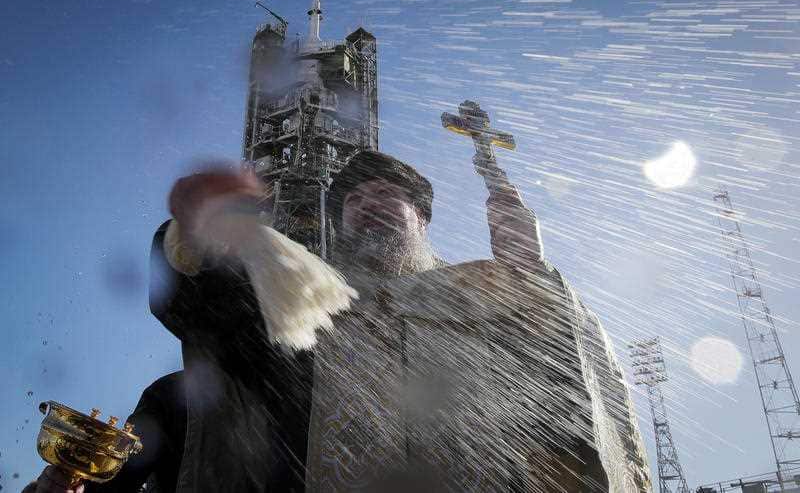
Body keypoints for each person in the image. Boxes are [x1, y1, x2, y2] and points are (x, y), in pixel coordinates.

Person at [28, 151, 650, 492]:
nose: (367, 205)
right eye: (352, 199)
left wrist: (533, 288)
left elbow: (565, 398)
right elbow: (204, 308)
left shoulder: (476, 300)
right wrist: (197, 237)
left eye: (388, 195)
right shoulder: (316, 303)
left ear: (423, 218)